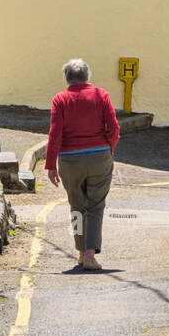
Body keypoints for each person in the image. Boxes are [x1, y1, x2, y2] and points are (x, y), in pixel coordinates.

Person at [45, 59, 120, 270]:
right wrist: (109, 148)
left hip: (70, 160)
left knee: (76, 206)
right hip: (99, 156)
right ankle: (90, 255)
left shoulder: (60, 99)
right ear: (87, 77)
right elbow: (113, 128)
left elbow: (55, 134)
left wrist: (51, 164)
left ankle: (80, 252)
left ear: (67, 78)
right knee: (95, 206)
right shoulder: (101, 95)